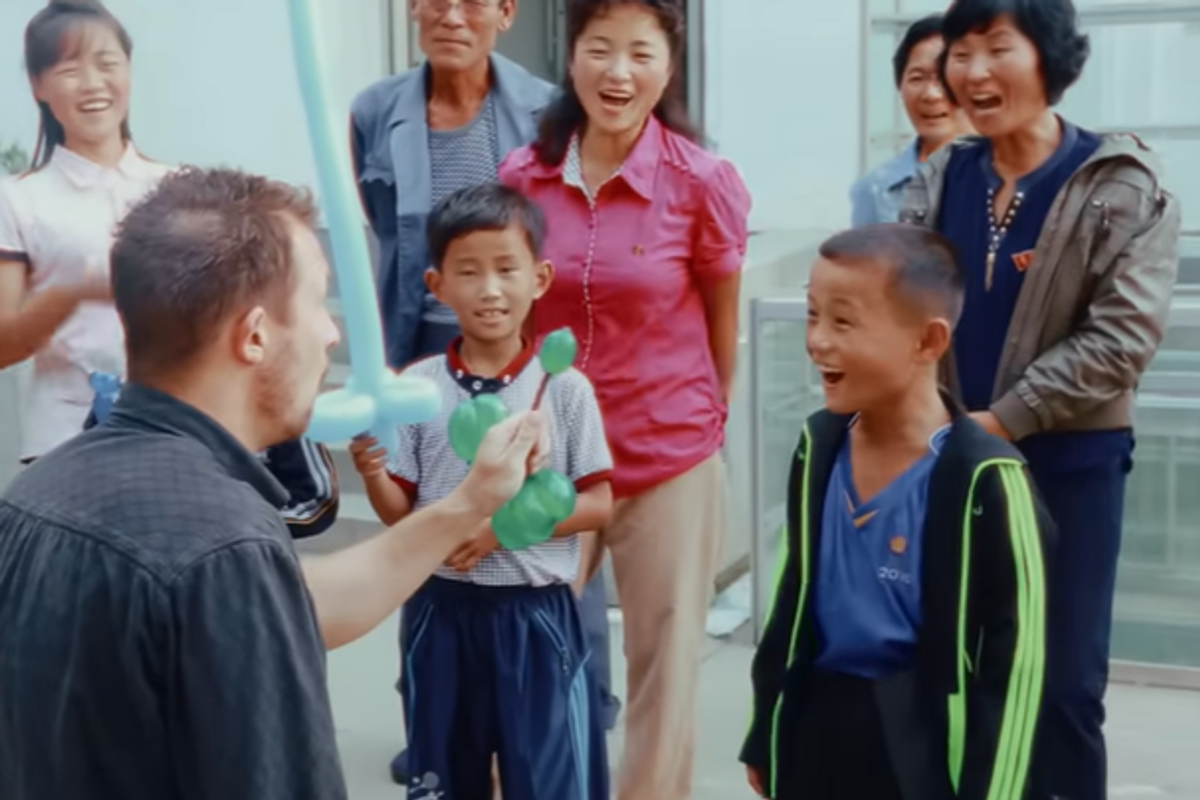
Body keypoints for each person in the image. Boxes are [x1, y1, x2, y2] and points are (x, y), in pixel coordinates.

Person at [0, 167, 549, 800]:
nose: (332, 332)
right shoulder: (225, 548)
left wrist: (471, 501)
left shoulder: (37, 495)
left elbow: (297, 604)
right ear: (255, 335)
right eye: (318, 301)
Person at [900, 1, 1180, 797]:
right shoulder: (941, 174)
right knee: (961, 674)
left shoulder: (1124, 184)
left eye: (997, 48)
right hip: (949, 469)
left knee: (1061, 691)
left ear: (1048, 58)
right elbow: (898, 310)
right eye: (960, 52)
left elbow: (1120, 343)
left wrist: (998, 422)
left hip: (1069, 472)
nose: (973, 72)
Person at [499, 1, 752, 798]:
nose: (618, 73)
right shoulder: (522, 178)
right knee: (523, 643)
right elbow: (512, 318)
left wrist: (702, 428)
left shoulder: (702, 183)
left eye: (639, 53)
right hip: (549, 460)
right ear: (570, 58)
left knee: (663, 665)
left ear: (668, 66)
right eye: (599, 49)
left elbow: (720, 329)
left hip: (665, 455)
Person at [740, 224, 1050, 800]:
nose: (817, 341)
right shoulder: (819, 445)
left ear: (928, 342)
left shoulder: (987, 479)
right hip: (818, 723)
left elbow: (1018, 667)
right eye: (812, 315)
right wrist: (767, 728)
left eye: (843, 321)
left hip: (920, 743)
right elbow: (792, 596)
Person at [348, 183, 613, 800]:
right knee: (445, 775)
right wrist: (370, 473)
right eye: (468, 272)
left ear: (540, 278)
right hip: (439, 613)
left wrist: (501, 529)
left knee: (550, 777)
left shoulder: (564, 389)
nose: (490, 289)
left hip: (533, 614)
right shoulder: (418, 388)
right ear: (437, 285)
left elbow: (598, 503)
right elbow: (401, 514)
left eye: (506, 269)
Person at [0, 0, 169, 464]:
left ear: (129, 70)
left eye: (107, 63)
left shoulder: (180, 187)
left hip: (174, 435)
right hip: (64, 443)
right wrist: (74, 292)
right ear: (37, 85)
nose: (93, 83)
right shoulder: (16, 199)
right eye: (69, 69)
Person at [351, 0, 556, 368]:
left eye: (473, 4)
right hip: (419, 338)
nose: (452, 19)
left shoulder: (546, 111)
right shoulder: (374, 111)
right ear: (414, 7)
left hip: (517, 337)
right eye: (438, 3)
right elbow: (388, 227)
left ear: (505, 13)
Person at [849, 13, 971, 227]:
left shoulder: (1007, 176)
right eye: (916, 78)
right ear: (900, 86)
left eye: (944, 77)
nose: (931, 95)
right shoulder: (877, 189)